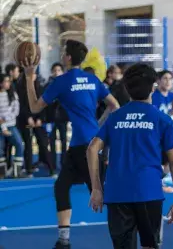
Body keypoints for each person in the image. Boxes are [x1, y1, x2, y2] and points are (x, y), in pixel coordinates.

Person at [21, 39, 120, 249]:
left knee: (103, 192)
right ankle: (64, 240)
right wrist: (100, 126)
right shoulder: (93, 80)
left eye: (63, 52)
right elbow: (115, 106)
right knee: (65, 186)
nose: (61, 54)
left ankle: (128, 232)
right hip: (85, 143)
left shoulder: (62, 82)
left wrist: (29, 77)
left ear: (67, 57)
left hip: (82, 146)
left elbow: (35, 107)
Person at [87, 63, 173, 249]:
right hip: (149, 192)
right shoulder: (162, 119)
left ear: (126, 88)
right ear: (153, 87)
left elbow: (92, 149)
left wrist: (97, 188)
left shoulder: (115, 117)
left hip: (117, 194)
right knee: (150, 245)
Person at [16, 72, 55, 177]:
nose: (32, 76)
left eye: (34, 74)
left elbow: (43, 104)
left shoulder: (40, 88)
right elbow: (21, 105)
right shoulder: (20, 89)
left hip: (38, 121)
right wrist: (28, 118)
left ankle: (51, 169)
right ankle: (28, 169)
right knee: (28, 144)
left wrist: (40, 119)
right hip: (25, 121)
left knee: (43, 143)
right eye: (30, 74)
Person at [45, 63, 69, 171]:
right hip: (51, 118)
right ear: (51, 72)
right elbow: (45, 101)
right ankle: (52, 166)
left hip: (63, 118)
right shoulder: (48, 85)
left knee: (64, 142)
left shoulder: (66, 84)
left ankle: (64, 164)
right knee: (52, 142)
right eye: (55, 70)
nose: (57, 72)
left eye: (59, 70)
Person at [0, 73, 24, 178]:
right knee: (0, 149)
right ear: (1, 83)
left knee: (19, 144)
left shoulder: (13, 94)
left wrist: (6, 119)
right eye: (6, 81)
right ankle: (2, 172)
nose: (8, 83)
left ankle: (16, 171)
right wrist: (3, 127)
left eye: (9, 81)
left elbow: (16, 110)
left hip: (11, 125)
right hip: (1, 126)